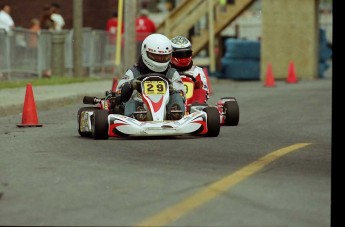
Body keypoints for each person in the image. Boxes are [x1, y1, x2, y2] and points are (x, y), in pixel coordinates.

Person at [114, 33, 186, 120]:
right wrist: (130, 85)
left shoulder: (172, 73)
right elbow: (118, 94)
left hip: (166, 108)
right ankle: (135, 115)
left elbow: (182, 95)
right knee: (132, 101)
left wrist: (172, 90)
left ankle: (175, 115)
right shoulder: (134, 72)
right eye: (156, 56)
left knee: (177, 96)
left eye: (163, 57)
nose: (160, 59)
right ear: (145, 52)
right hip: (141, 105)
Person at [170, 35, 209, 104]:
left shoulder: (197, 71)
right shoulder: (167, 71)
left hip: (192, 105)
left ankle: (197, 108)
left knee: (201, 90)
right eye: (179, 54)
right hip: (171, 105)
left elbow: (205, 92)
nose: (183, 57)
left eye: (186, 53)